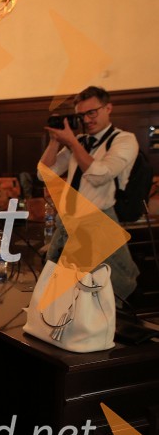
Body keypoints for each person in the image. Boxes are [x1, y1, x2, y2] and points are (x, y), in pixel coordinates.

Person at [41, 85, 139, 300]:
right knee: (57, 290)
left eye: (91, 112)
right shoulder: (82, 142)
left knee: (103, 292)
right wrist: (55, 141)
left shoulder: (123, 140)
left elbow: (100, 174)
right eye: (81, 115)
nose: (86, 120)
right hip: (67, 222)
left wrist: (73, 142)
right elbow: (45, 174)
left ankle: (105, 331)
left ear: (108, 108)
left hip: (98, 222)